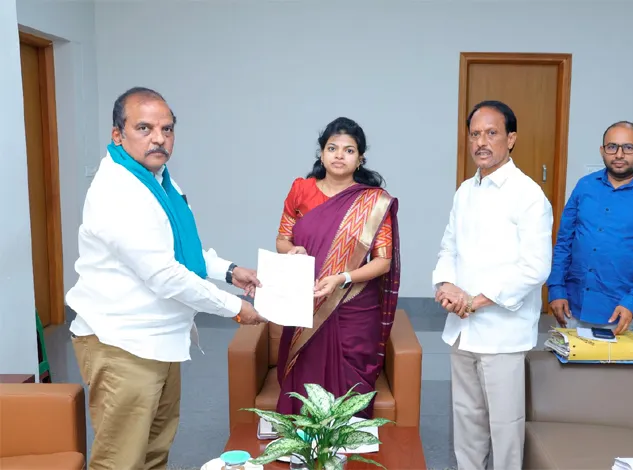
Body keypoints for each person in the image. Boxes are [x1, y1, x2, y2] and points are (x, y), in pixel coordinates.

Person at [66, 86, 265, 470]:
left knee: (156, 451)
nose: (159, 138)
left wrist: (230, 271)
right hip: (123, 344)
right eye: (144, 128)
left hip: (161, 340)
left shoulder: (160, 181)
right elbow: (166, 275)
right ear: (118, 135)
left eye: (167, 129)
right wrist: (236, 308)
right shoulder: (118, 191)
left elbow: (181, 251)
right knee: (121, 460)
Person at [432, 100, 552, 470]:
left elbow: (535, 267)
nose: (481, 142)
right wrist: (446, 286)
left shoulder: (528, 195)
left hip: (502, 331)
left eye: (491, 133)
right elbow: (449, 247)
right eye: (475, 134)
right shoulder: (465, 191)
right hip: (462, 327)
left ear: (511, 138)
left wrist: (477, 301)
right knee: (466, 419)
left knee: (504, 426)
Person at [274, 116, 400, 418]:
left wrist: (342, 277)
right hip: (306, 300)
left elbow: (383, 262)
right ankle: (304, 442)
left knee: (349, 387)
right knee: (304, 385)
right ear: (321, 154)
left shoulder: (373, 201)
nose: (339, 155)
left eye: (349, 150)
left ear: (360, 158)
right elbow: (282, 240)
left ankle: (347, 442)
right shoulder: (301, 190)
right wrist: (292, 250)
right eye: (332, 148)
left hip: (353, 306)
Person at [547, 121, 633, 336]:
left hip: (620, 311)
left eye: (628, 147)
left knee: (611, 360)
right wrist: (556, 288)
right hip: (572, 306)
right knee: (568, 359)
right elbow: (564, 243)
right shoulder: (585, 186)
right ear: (602, 150)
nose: (619, 154)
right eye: (612, 147)